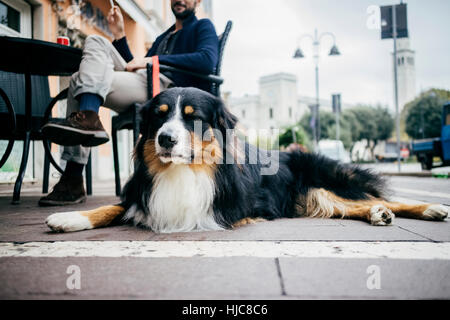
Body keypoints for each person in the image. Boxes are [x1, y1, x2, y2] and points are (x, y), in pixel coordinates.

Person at [39, 0, 218, 206]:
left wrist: (154, 60)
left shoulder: (202, 26)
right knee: (95, 44)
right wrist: (119, 35)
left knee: (78, 80)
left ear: (197, 1)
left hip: (169, 93)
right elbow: (135, 67)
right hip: (145, 81)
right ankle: (88, 117)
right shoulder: (164, 36)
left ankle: (72, 176)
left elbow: (207, 60)